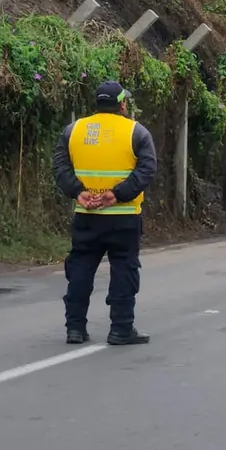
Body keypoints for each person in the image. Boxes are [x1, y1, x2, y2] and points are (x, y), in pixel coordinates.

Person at [53, 81, 157, 346]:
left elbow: (60, 166)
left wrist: (78, 192)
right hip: (123, 217)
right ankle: (121, 330)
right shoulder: (137, 132)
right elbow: (147, 170)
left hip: (86, 216)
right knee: (124, 270)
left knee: (80, 270)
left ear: (97, 104)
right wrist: (116, 194)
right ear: (122, 104)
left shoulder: (73, 130)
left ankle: (75, 329)